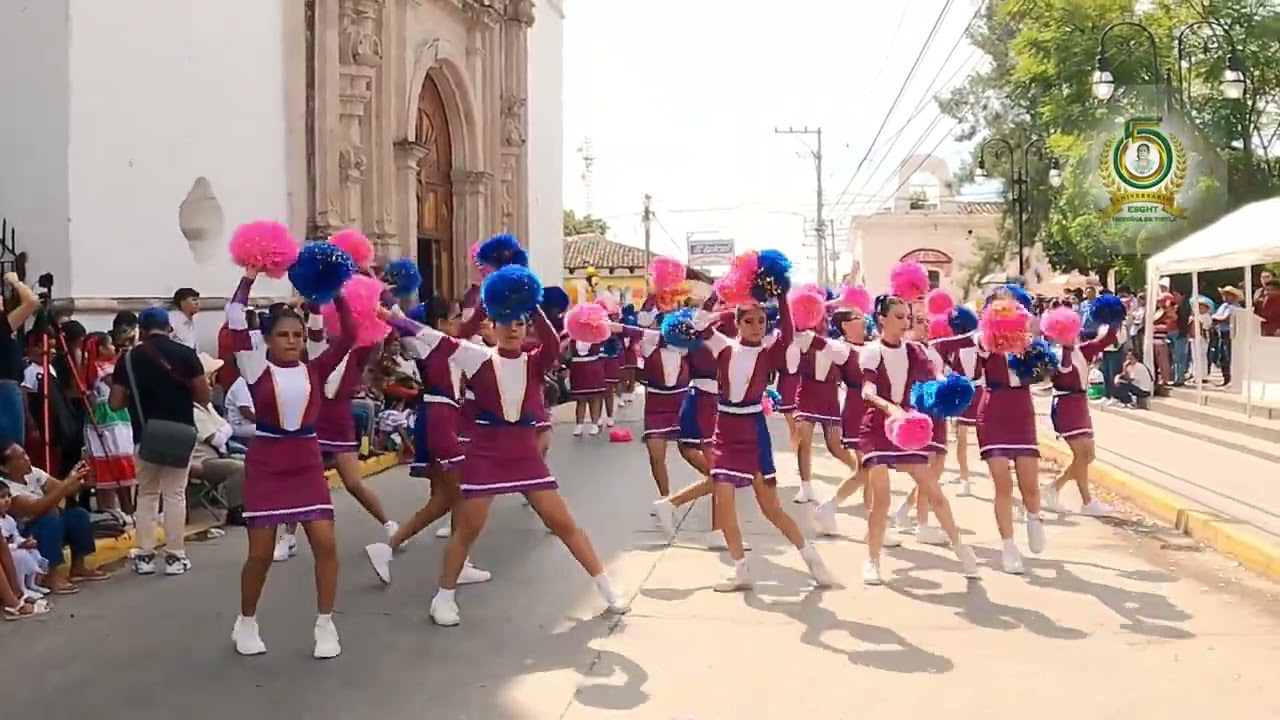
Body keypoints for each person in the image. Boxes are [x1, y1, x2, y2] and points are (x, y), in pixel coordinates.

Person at [425, 279, 628, 627]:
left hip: (525, 453)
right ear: (492, 325)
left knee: (563, 523)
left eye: (520, 322)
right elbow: (435, 338)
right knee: (469, 528)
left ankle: (605, 586)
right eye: (506, 321)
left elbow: (551, 341)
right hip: (487, 452)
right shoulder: (475, 357)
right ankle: (442, 597)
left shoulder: (535, 360)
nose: (513, 329)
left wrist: (530, 301)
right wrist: (390, 314)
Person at [224, 269, 353, 659]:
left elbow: (347, 336)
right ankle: (246, 620)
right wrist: (249, 278)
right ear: (267, 339)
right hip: (267, 465)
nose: (292, 341)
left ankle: (325, 624)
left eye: (297, 335)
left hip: (307, 464)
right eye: (283, 335)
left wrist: (335, 290)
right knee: (260, 555)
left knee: (327, 544)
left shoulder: (315, 367)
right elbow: (233, 314)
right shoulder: (254, 367)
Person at [689, 293, 837, 592]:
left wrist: (782, 295)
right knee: (724, 498)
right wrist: (719, 295)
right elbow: (699, 323)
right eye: (749, 321)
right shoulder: (724, 347)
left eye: (761, 321)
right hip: (724, 431)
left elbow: (790, 332)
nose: (757, 327)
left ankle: (811, 557)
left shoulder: (770, 350)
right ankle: (740, 569)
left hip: (753, 431)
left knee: (771, 508)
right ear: (738, 324)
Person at [850, 296, 978, 585]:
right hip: (878, 428)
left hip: (908, 427)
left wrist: (945, 383)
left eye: (906, 316)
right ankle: (872, 560)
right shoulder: (871, 351)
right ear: (881, 319)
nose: (904, 322)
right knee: (881, 498)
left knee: (933, 490)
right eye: (898, 316)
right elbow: (867, 391)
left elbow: (933, 371)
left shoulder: (915, 350)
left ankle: (961, 549)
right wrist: (889, 408)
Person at [363, 297, 491, 585]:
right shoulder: (427, 341)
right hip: (439, 420)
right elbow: (402, 319)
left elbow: (473, 320)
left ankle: (391, 547)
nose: (461, 320)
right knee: (462, 494)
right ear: (442, 322)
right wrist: (382, 300)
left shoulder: (450, 341)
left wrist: (491, 280)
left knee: (445, 499)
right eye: (455, 316)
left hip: (441, 419)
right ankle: (456, 563)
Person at [109, 306, 211, 576]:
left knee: (147, 494)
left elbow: (115, 402)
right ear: (169, 328)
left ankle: (144, 555)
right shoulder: (187, 355)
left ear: (141, 331)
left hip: (146, 434)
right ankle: (175, 556)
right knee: (175, 494)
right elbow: (204, 397)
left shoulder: (128, 360)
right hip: (181, 432)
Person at [976, 291, 1047, 575]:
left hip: (1022, 413)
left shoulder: (1030, 345)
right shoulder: (985, 343)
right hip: (993, 412)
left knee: (1029, 484)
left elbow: (1045, 373)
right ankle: (1008, 547)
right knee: (1002, 485)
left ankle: (1033, 518)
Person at [0, 442, 107, 593]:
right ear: (5, 468)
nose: (27, 459)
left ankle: (78, 567)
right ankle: (51, 576)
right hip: (25, 532)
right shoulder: (6, 488)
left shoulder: (33, 473)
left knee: (78, 515)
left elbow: (65, 489)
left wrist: (78, 476)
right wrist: (67, 483)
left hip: (47, 521)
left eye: (25, 454)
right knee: (50, 516)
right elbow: (35, 508)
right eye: (20, 458)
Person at [1043, 321, 1118, 516]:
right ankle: (1086, 501)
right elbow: (1064, 370)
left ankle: (1054, 487)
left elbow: (1106, 340)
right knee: (1081, 455)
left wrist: (1112, 317)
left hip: (1080, 405)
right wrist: (1066, 347)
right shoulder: (1054, 355)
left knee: (1088, 456)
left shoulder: (1082, 350)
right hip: (1065, 405)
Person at [77, 332, 137, 520]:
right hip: (110, 419)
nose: (114, 348)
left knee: (113, 463)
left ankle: (113, 508)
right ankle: (118, 509)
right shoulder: (104, 369)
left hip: (110, 418)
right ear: (101, 349)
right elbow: (120, 386)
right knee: (114, 460)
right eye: (110, 345)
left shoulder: (92, 368)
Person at [0, 273, 39, 444]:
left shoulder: (5, 327)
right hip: (5, 391)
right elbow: (31, 301)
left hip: (8, 389)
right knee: (12, 448)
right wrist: (14, 281)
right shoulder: (2, 326)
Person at [1212, 286, 1242, 385]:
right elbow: (1215, 316)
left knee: (1229, 356)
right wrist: (1217, 318)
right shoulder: (1223, 306)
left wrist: (1217, 318)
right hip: (1222, 332)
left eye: (1228, 295)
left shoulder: (1235, 308)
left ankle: (1232, 379)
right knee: (1222, 356)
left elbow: (1224, 318)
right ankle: (1226, 378)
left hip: (1230, 333)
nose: (1225, 297)